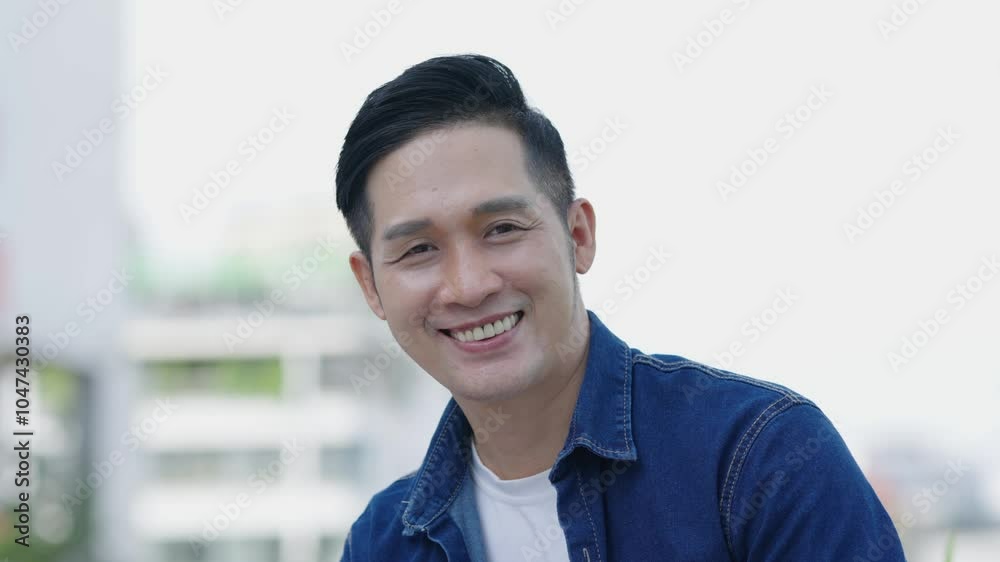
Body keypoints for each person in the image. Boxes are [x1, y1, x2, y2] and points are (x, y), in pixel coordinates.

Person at [334, 54, 905, 562]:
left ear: (578, 235)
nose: (468, 286)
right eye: (419, 250)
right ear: (372, 287)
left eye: (502, 228)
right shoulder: (381, 542)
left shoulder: (761, 457)